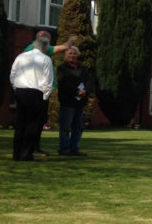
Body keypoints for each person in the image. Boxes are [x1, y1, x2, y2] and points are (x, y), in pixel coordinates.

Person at [22, 32, 77, 156]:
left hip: (30, 90)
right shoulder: (40, 50)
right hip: (38, 91)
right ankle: (32, 149)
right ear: (44, 41)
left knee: (34, 121)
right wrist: (71, 40)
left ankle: (31, 148)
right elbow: (63, 47)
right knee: (36, 121)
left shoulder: (28, 51)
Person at [10, 33, 55, 162]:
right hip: (36, 93)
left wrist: (16, 88)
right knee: (33, 125)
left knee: (20, 124)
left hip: (20, 91)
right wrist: (45, 96)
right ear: (45, 47)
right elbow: (48, 80)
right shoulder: (46, 59)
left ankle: (16, 154)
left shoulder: (21, 56)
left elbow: (13, 74)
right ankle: (26, 154)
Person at [56, 46, 92, 156]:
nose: (72, 55)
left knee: (78, 127)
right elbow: (63, 84)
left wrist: (86, 90)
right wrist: (77, 91)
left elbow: (89, 81)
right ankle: (65, 149)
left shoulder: (83, 68)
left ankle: (75, 148)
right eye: (70, 53)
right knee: (66, 127)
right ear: (65, 55)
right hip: (68, 101)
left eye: (74, 53)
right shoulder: (61, 68)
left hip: (80, 102)